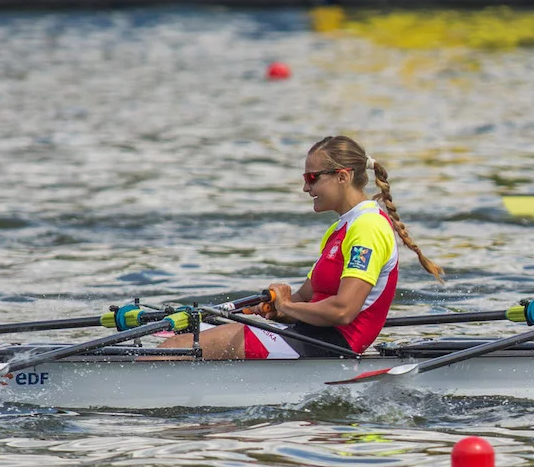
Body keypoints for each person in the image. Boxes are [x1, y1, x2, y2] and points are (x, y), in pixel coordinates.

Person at [162, 135, 443, 359]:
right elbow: (305, 299)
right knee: (182, 336)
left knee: (178, 348)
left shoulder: (368, 227)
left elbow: (343, 311)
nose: (306, 189)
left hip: (333, 345)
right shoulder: (340, 228)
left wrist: (288, 306)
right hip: (308, 334)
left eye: (312, 178)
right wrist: (279, 309)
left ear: (342, 176)